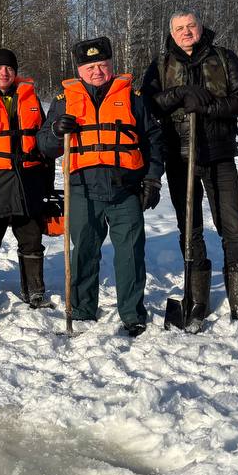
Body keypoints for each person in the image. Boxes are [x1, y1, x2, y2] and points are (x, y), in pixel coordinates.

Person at [142, 9, 238, 328]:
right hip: (179, 157)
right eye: (179, 28)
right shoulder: (162, 64)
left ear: (200, 27)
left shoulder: (223, 57)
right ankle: (197, 300)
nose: (186, 32)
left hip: (219, 153)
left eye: (191, 26)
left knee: (233, 227)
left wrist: (210, 107)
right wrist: (179, 95)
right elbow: (147, 103)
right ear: (172, 33)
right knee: (190, 228)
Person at [38, 36, 164, 337]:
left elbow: (154, 141)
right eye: (90, 66)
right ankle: (82, 309)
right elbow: (44, 146)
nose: (97, 71)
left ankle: (132, 313)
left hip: (126, 190)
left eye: (102, 64)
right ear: (79, 69)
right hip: (82, 190)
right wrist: (56, 130)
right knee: (83, 251)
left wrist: (152, 179)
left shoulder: (133, 97)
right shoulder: (63, 101)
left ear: (111, 64)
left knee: (130, 252)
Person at [0, 48, 50, 312]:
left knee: (31, 236)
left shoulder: (30, 97)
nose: (4, 72)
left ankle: (34, 290)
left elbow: (44, 140)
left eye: (9, 68)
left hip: (28, 179)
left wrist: (47, 181)